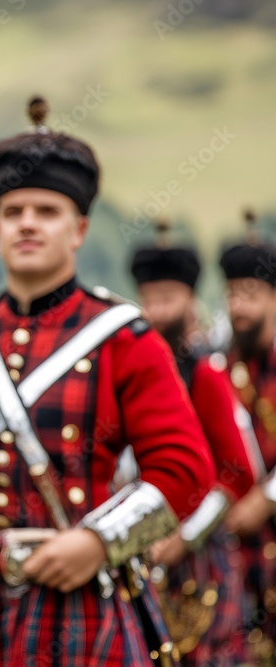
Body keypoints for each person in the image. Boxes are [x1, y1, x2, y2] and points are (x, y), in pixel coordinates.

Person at [0, 96, 214, 666]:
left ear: (79, 229)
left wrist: (99, 541)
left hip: (84, 599)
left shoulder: (125, 339)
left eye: (47, 211)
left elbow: (184, 468)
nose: (27, 222)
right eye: (14, 211)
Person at [130, 230, 259, 665]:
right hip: (139, 544)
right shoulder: (134, 373)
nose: (157, 310)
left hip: (200, 557)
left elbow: (237, 473)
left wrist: (185, 537)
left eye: (168, 298)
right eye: (150, 298)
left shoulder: (205, 374)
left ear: (189, 300)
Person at [219, 224, 276, 664]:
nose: (239, 305)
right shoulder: (218, 367)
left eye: (251, 293)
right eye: (233, 293)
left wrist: (267, 498)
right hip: (237, 543)